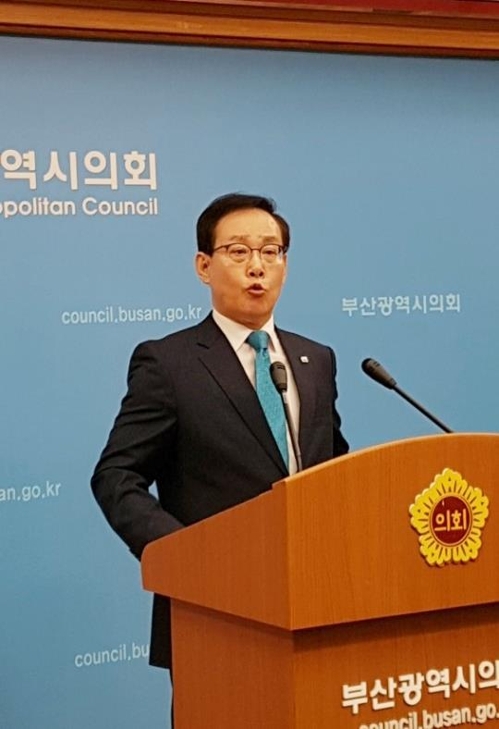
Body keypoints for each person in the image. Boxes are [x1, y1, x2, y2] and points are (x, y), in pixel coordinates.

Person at [91, 192, 349, 679]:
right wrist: (185, 555)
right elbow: (116, 475)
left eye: (270, 252)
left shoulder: (316, 360)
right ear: (204, 266)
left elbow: (333, 466)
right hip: (215, 609)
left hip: (317, 603)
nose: (257, 266)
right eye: (238, 251)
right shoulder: (169, 363)